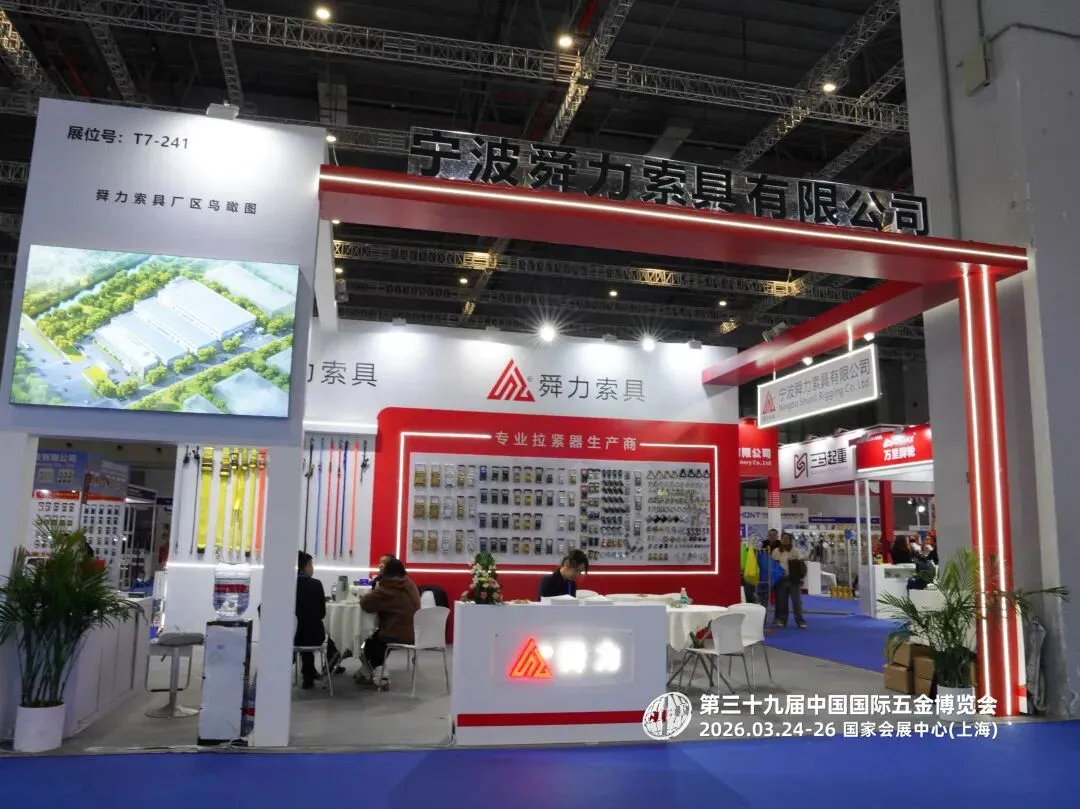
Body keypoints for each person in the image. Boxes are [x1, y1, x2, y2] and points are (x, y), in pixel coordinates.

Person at [357, 558, 421, 683]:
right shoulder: (408, 582)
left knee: (371, 641)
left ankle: (380, 675)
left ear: (387, 572)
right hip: (414, 631)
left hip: (397, 632)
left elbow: (366, 604)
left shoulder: (389, 587)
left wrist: (378, 584)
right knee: (375, 639)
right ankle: (368, 671)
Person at [295, 551, 341, 689]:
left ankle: (308, 672)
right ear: (306, 566)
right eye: (311, 565)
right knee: (320, 631)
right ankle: (313, 672)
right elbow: (322, 613)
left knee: (301, 630)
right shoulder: (316, 584)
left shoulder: (285, 584)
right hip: (314, 635)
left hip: (290, 636)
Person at [772, 532, 807, 629]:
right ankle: (782, 620)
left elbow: (802, 564)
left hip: (794, 579)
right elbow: (773, 565)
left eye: (787, 538)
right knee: (782, 602)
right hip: (781, 580)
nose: (785, 540)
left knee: (796, 601)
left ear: (790, 540)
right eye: (783, 538)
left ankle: (800, 621)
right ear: (781, 539)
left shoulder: (796, 551)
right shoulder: (776, 551)